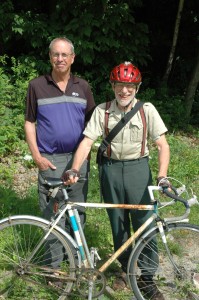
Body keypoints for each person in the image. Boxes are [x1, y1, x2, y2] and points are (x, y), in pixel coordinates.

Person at [63, 61, 169, 300]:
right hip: (110, 170)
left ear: (137, 88)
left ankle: (148, 279)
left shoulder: (147, 110)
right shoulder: (103, 110)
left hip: (138, 169)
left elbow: (162, 145)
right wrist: (74, 168)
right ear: (113, 86)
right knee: (118, 222)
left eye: (130, 86)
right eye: (120, 85)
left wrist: (162, 176)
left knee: (146, 223)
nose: (124, 91)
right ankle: (126, 269)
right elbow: (87, 141)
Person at [24, 37, 95, 268]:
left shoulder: (82, 87)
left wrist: (85, 155)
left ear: (73, 58)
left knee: (77, 212)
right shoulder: (37, 86)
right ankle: (53, 267)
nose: (60, 59)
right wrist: (37, 156)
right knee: (52, 216)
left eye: (65, 55)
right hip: (50, 160)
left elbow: (92, 125)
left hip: (78, 159)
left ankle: (75, 261)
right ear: (50, 57)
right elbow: (29, 122)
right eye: (56, 54)